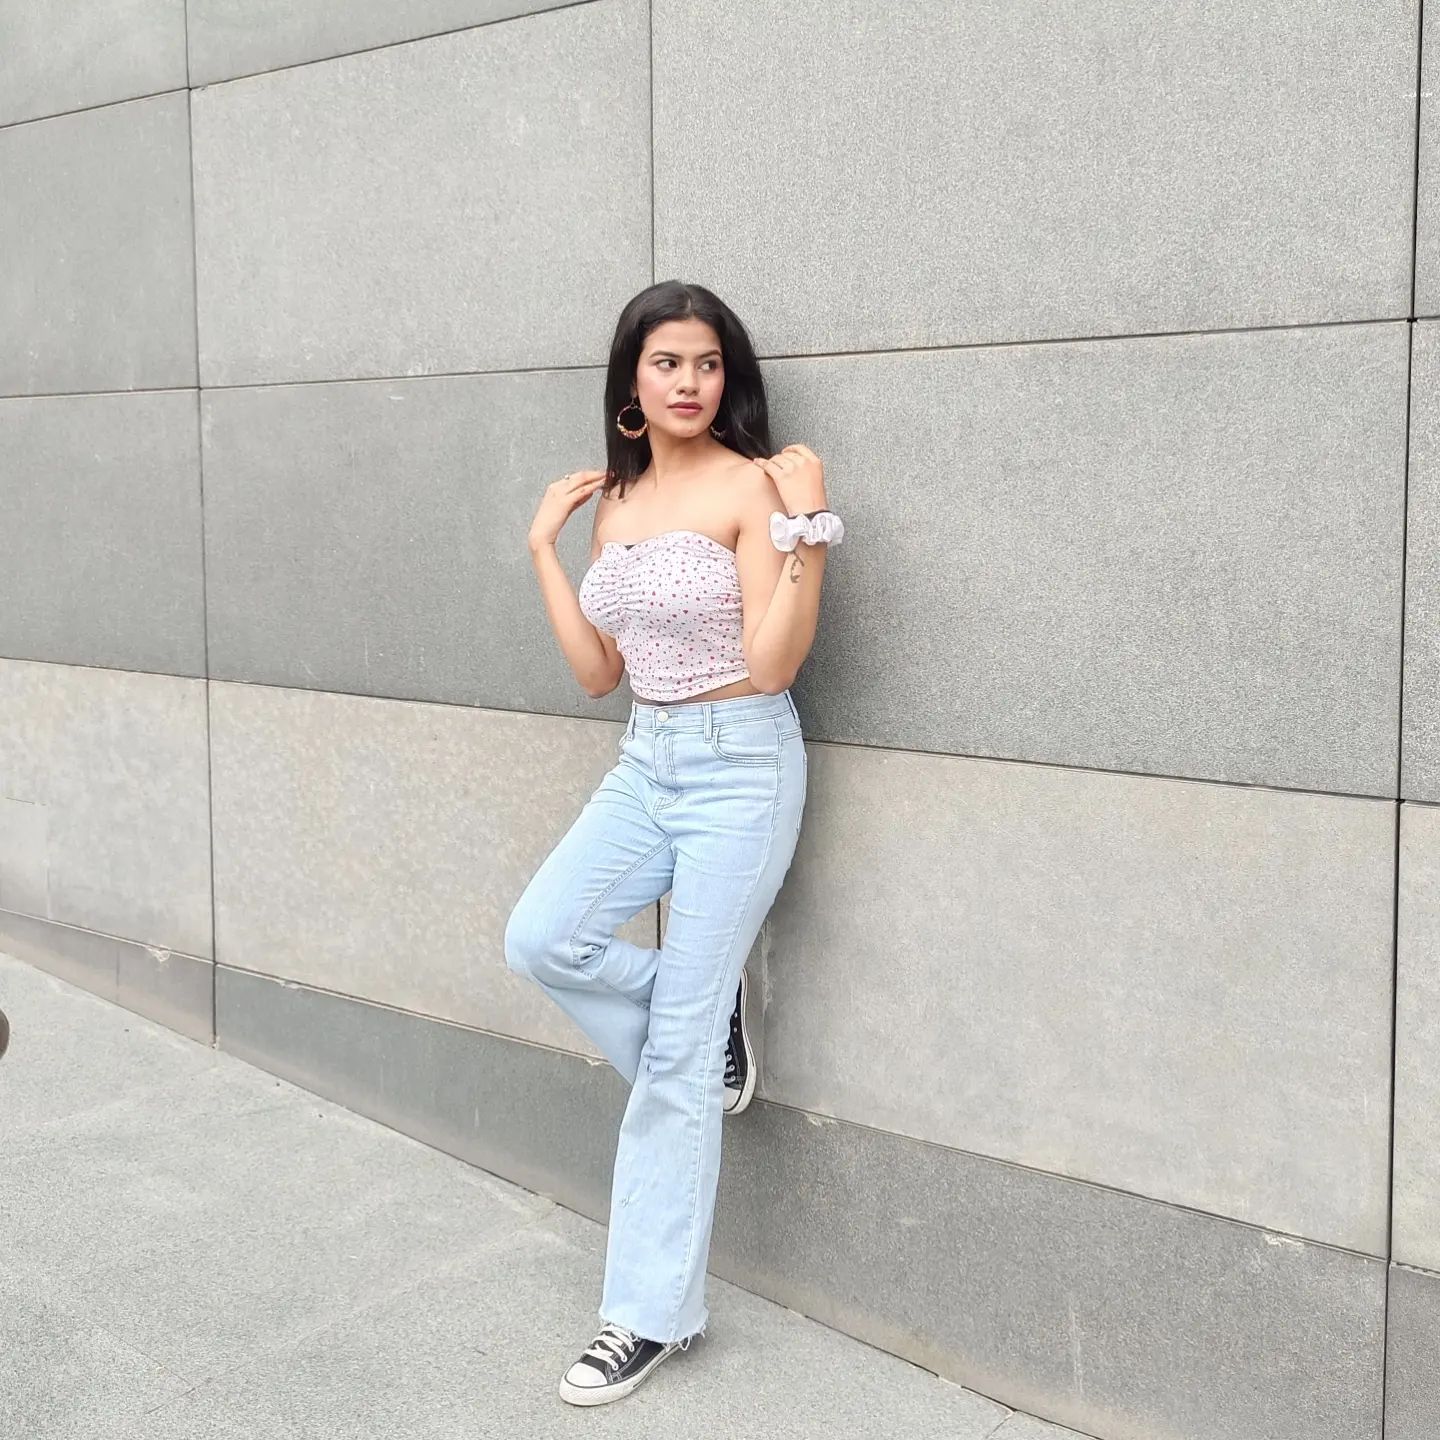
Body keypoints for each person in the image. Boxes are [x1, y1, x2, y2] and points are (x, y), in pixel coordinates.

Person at [503, 280, 844, 1406]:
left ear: (725, 376)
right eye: (666, 363)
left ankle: (645, 1316)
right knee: (541, 938)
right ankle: (705, 1023)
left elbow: (776, 662)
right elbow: (599, 673)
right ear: (632, 382)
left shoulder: (753, 485)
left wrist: (808, 532)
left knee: (675, 1066)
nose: (689, 381)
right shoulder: (618, 499)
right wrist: (545, 550)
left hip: (742, 765)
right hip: (646, 762)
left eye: (706, 363)